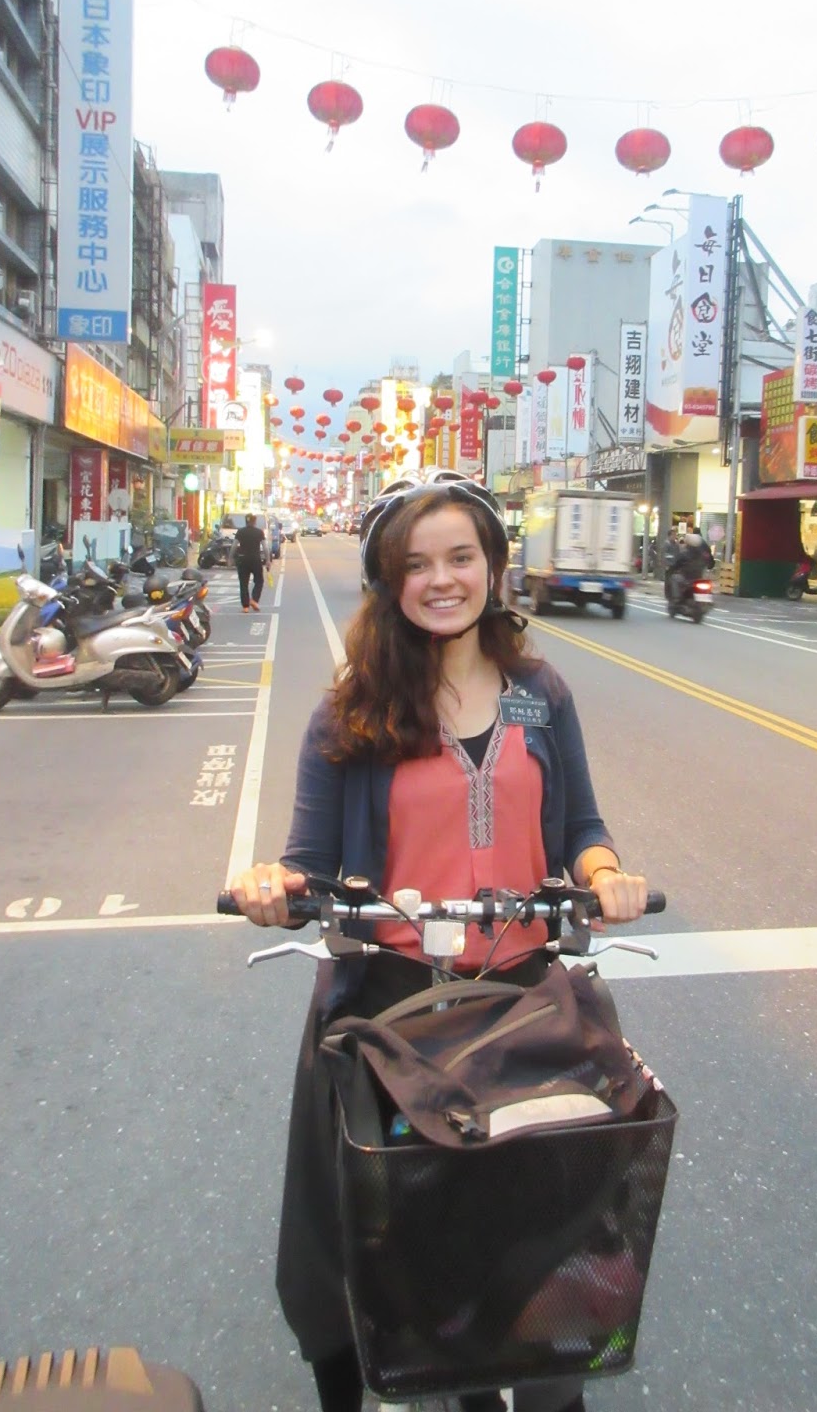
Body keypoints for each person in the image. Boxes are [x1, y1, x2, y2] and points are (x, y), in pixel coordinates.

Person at [230, 468, 649, 1412]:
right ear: (389, 582)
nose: (441, 580)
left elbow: (583, 826)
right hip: (392, 1006)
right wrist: (273, 888)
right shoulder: (352, 710)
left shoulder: (540, 694)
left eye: (461, 557)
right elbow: (306, 866)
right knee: (361, 1227)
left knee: (544, 1229)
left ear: (494, 567)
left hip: (524, 1001)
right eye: (416, 565)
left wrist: (603, 874)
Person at [232, 512, 268, 610]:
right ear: (255, 522)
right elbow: (265, 547)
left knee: (243, 583)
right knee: (259, 581)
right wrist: (268, 560)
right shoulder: (259, 532)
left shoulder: (240, 531)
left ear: (246, 521)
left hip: (242, 559)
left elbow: (234, 545)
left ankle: (245, 607)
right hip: (255, 559)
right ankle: (254, 599)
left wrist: (230, 558)